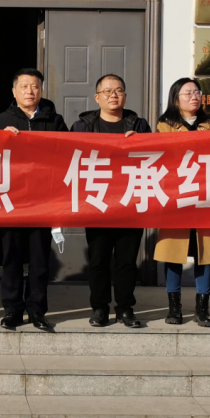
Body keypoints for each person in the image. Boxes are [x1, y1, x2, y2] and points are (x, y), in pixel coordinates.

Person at [152, 78, 210, 328]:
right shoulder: (164, 126)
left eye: (197, 92)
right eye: (187, 93)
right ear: (175, 99)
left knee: (205, 253)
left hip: (206, 198)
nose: (194, 96)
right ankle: (174, 308)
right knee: (173, 253)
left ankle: (202, 309)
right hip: (176, 199)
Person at [70, 73, 151, 329]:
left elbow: (155, 158)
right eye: (107, 91)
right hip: (97, 202)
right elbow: (68, 157)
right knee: (98, 261)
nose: (112, 95)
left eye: (118, 90)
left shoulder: (139, 125)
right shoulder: (82, 127)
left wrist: (141, 143)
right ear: (97, 97)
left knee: (126, 262)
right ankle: (100, 308)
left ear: (125, 96)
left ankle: (125, 308)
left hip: (130, 201)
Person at [0, 68, 68, 332]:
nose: (30, 91)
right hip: (11, 199)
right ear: (14, 91)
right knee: (11, 257)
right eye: (24, 86)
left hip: (43, 200)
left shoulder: (54, 120)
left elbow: (67, 153)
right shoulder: (0, 120)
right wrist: (1, 139)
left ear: (41, 90)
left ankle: (36, 310)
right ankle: (12, 310)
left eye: (35, 86)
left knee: (39, 259)